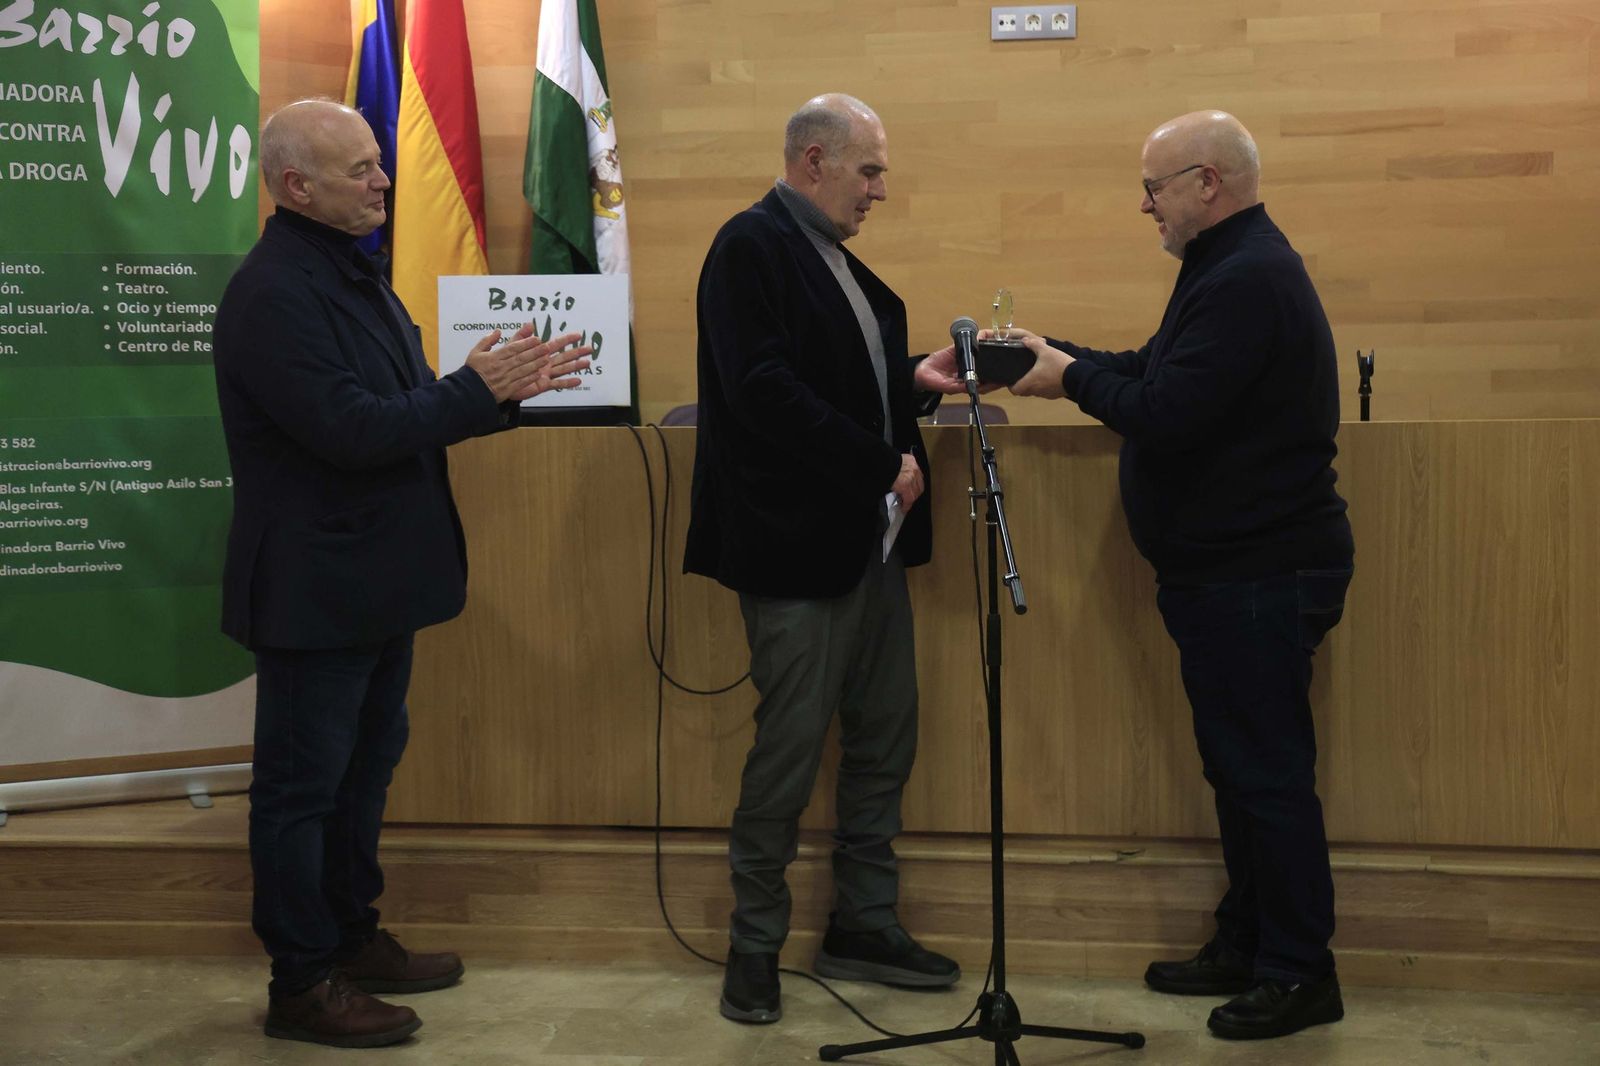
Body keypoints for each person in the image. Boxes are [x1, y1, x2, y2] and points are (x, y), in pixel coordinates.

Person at [212, 99, 590, 1048]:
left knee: (362, 776)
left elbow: (405, 404)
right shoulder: (272, 294)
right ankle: (301, 984)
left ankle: (350, 936)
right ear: (297, 186)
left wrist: (486, 391)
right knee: (302, 792)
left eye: (383, 165)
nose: (383, 182)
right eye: (362, 170)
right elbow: (350, 430)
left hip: (374, 581)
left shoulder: (351, 273)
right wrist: (474, 391)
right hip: (314, 591)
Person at [1001, 110, 1355, 1040]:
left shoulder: (1249, 278)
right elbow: (1154, 369)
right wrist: (1058, 357)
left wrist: (1068, 382)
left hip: (1258, 571)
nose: (1143, 206)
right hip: (1230, 572)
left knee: (1267, 775)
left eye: (1153, 188)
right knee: (1239, 771)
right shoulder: (1229, 269)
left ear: (1208, 183)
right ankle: (1249, 941)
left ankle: (1298, 970)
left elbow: (1166, 410)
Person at [684, 93, 968, 1024]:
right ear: (813, 161)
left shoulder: (828, 258)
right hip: (797, 553)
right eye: (869, 170)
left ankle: (865, 922)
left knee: (885, 736)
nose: (881, 189)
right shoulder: (750, 247)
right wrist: (877, 459)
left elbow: (840, 386)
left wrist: (911, 392)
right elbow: (763, 392)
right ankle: (754, 948)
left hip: (870, 547)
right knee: (790, 750)